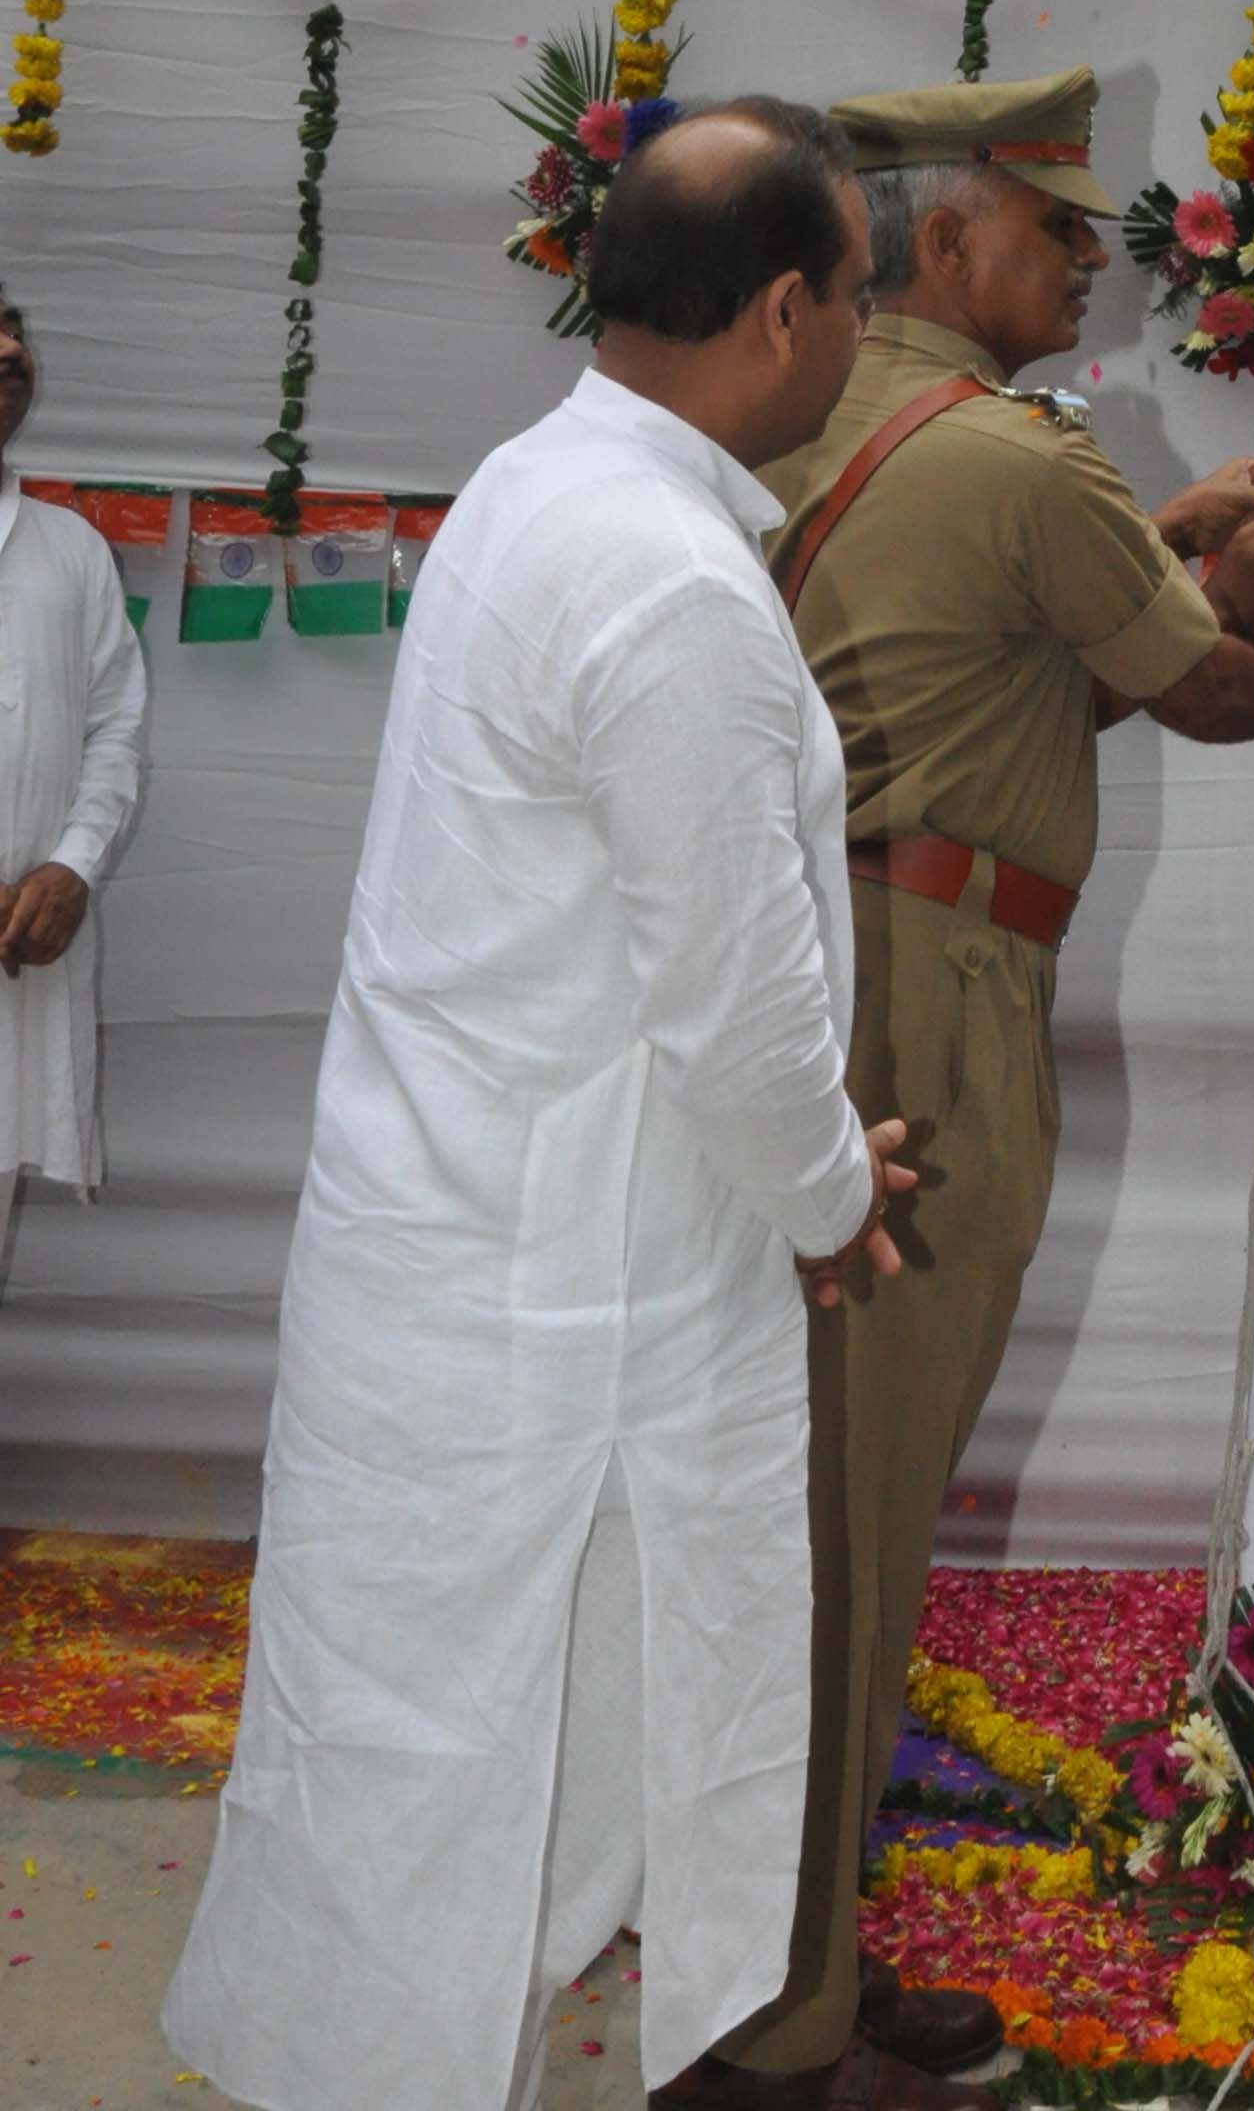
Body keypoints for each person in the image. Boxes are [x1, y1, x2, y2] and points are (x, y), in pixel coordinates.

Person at [167, 103, 922, 2111]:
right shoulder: (670, 577)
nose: (862, 334)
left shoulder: (534, 482)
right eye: (858, 294)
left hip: (465, 1239)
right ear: (779, 309)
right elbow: (739, 1013)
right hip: (564, 1301)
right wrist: (834, 1190)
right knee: (467, 1794)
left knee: (425, 1766)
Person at [695, 69, 1254, 2102]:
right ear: (949, 235)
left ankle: (772, 1941)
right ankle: (776, 2009)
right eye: (1057, 229)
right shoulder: (1016, 458)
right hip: (927, 1003)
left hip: (802, 985)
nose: (1086, 266)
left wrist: (1151, 554)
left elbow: (990, 632)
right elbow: (1217, 688)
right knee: (855, 1512)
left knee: (785, 1501)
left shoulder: (798, 423)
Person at [0, 287, 151, 1199]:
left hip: (25, 933)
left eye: (14, 347)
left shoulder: (72, 549)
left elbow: (116, 727)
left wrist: (72, 868)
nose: (10, 355)